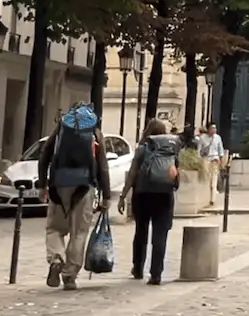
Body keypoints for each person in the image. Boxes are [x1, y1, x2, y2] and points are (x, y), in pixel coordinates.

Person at [36, 102, 111, 290]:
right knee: (79, 232)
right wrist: (106, 195)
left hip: (59, 185)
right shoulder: (95, 133)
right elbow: (102, 166)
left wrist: (43, 184)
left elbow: (45, 154)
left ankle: (56, 259)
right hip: (84, 187)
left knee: (54, 228)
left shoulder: (62, 127)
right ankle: (69, 276)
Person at [119, 118, 181, 284]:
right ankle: (156, 274)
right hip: (165, 195)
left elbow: (132, 174)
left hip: (143, 194)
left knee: (141, 232)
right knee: (160, 235)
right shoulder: (172, 149)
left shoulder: (143, 149)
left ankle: (138, 268)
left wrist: (123, 196)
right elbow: (176, 171)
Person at [199, 122, 226, 205]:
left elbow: (220, 150)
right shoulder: (202, 138)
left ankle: (212, 200)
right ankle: (206, 198)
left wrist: (222, 162)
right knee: (206, 180)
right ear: (208, 129)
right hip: (206, 160)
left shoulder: (217, 138)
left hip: (215, 160)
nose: (214, 130)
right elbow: (199, 150)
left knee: (214, 181)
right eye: (212, 128)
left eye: (215, 128)